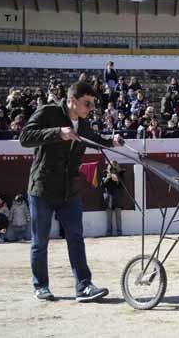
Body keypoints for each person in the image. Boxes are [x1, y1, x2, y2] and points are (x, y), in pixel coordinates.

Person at [19, 80, 124, 302]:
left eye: (93, 104)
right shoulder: (48, 112)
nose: (91, 108)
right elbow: (25, 137)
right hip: (42, 188)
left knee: (76, 237)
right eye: (87, 103)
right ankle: (41, 286)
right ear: (72, 100)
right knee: (40, 241)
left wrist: (112, 142)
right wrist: (58, 132)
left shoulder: (84, 124)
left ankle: (84, 286)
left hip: (68, 190)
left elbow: (95, 141)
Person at [102, 160, 124, 237]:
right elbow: (103, 185)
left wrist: (118, 180)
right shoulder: (105, 174)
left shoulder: (120, 174)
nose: (113, 169)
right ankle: (109, 232)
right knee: (109, 217)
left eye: (115, 167)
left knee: (118, 216)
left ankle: (119, 232)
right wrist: (108, 177)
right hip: (109, 197)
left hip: (117, 196)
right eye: (112, 168)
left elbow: (122, 186)